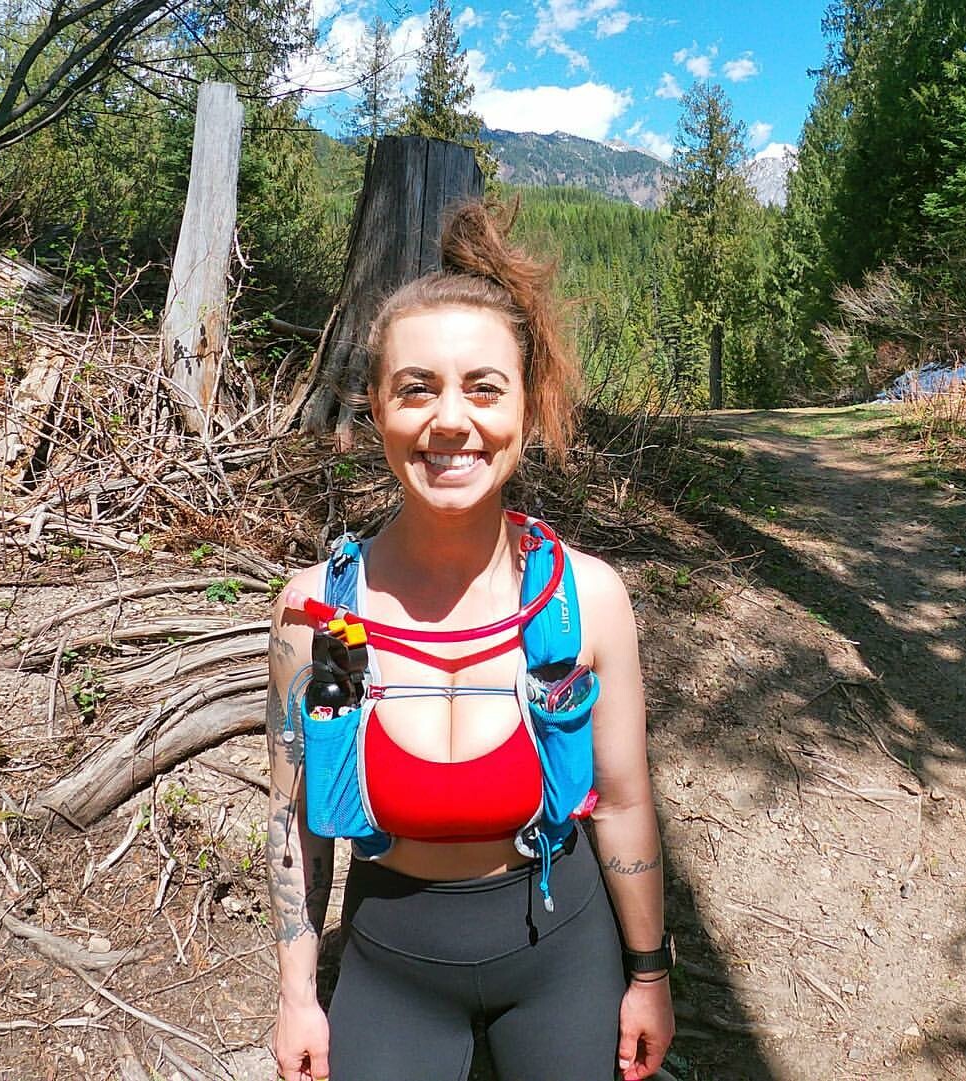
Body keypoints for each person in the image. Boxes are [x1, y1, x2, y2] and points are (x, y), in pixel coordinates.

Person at [264, 198, 674, 1081]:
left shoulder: (587, 600)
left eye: (484, 387)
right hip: (391, 963)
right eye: (417, 388)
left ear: (528, 406)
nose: (451, 420)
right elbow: (296, 819)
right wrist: (298, 995)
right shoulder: (317, 613)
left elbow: (623, 801)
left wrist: (649, 974)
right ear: (375, 407)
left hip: (564, 950)